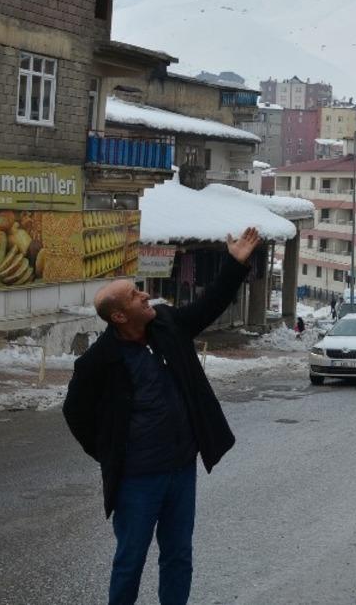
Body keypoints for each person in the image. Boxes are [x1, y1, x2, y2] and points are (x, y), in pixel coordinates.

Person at [64, 227, 262, 605]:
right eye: (134, 295)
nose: (144, 295)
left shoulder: (167, 325)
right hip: (138, 478)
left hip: (181, 470)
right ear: (119, 316)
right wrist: (109, 452)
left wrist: (235, 264)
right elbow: (75, 412)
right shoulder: (98, 362)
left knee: (178, 555)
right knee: (130, 560)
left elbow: (209, 305)